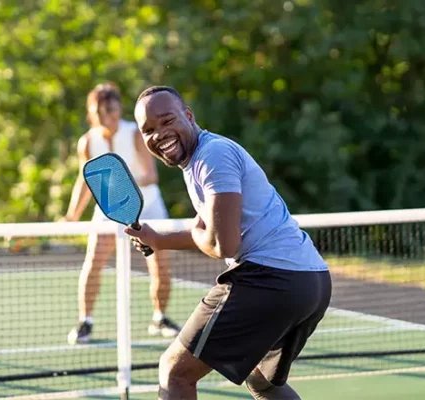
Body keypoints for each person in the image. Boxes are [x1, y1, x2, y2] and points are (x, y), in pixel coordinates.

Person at [123, 86, 332, 400]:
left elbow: (224, 244)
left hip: (271, 278)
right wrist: (159, 240)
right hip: (310, 281)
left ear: (189, 116)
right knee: (261, 381)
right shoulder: (197, 160)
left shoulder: (213, 156)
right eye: (148, 130)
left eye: (167, 121)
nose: (159, 134)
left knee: (175, 371)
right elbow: (211, 230)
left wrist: (196, 233)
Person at [65, 83, 181, 345]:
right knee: (94, 261)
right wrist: (72, 214)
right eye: (103, 110)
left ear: (119, 108)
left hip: (148, 207)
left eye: (114, 108)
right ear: (94, 112)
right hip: (107, 212)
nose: (110, 114)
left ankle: (160, 317)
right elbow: (84, 180)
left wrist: (121, 183)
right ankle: (86, 322)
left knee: (160, 265)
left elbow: (151, 176)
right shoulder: (87, 142)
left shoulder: (135, 134)